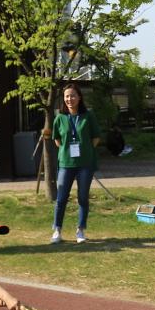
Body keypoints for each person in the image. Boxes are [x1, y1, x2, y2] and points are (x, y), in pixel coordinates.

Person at [51, 83, 101, 245]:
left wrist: (85, 150)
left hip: (85, 164)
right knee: (61, 198)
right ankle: (57, 230)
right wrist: (69, 150)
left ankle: (80, 229)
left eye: (72, 95)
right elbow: (57, 140)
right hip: (66, 163)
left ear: (79, 97)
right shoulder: (60, 118)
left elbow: (96, 137)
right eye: (66, 96)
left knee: (82, 197)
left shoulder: (88, 116)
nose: (69, 99)